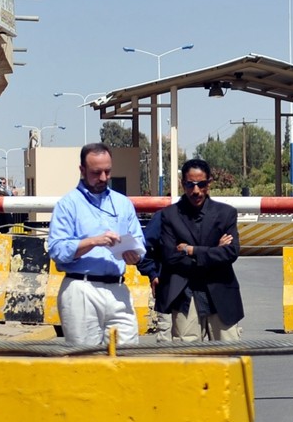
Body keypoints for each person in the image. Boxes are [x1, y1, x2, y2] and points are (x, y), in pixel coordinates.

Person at [48, 142, 145, 346]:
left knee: (127, 355)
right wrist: (93, 241)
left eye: (107, 172)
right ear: (82, 170)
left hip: (118, 288)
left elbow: (139, 241)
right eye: (96, 172)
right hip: (81, 288)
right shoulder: (68, 205)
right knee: (85, 361)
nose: (103, 178)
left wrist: (135, 255)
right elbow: (57, 250)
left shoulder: (122, 203)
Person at [157, 158, 244, 342]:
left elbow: (230, 253)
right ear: (183, 184)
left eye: (201, 184)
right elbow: (170, 257)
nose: (196, 190)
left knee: (229, 359)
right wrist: (213, 252)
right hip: (185, 295)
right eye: (190, 184)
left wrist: (192, 250)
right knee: (187, 361)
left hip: (221, 294)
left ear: (209, 183)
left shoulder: (226, 214)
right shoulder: (169, 216)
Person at [136, 208, 171, 343]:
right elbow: (143, 249)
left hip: (204, 293)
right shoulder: (164, 216)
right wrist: (153, 273)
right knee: (167, 341)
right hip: (168, 290)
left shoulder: (213, 214)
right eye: (189, 185)